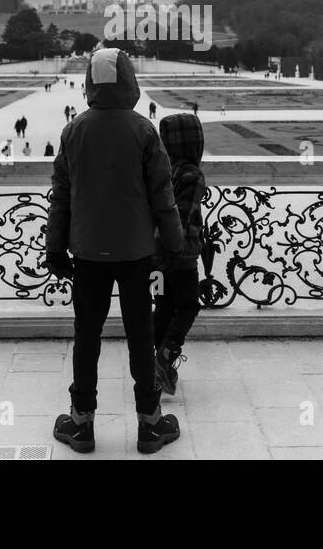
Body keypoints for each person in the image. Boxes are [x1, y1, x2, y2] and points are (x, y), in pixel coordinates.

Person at [45, 48, 184, 455]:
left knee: (86, 336)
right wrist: (174, 244)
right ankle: (150, 424)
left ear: (90, 82)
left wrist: (55, 248)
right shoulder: (143, 130)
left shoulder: (74, 130)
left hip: (88, 252)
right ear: (128, 80)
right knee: (141, 336)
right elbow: (163, 196)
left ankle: (81, 422)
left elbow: (61, 197)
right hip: (136, 252)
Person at [153, 112, 208, 396]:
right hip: (181, 256)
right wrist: (174, 251)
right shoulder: (192, 175)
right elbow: (181, 218)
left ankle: (157, 363)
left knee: (163, 305)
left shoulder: (162, 169)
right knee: (188, 306)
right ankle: (165, 355)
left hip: (154, 255)